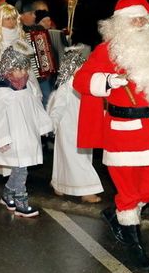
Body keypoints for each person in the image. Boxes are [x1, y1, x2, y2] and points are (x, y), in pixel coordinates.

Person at [73, 0, 149, 270]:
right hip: (125, 135)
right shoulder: (108, 51)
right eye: (132, 18)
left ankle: (118, 213)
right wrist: (108, 81)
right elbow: (81, 80)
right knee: (129, 192)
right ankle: (134, 245)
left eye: (142, 17)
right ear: (119, 24)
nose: (139, 22)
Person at [0, 40, 53, 217]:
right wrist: (2, 139)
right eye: (18, 69)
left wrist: (44, 125)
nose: (23, 73)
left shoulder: (27, 87)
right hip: (13, 137)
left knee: (20, 167)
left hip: (27, 135)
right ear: (8, 69)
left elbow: (36, 107)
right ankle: (21, 200)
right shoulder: (1, 92)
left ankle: (8, 193)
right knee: (21, 168)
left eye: (25, 69)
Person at [48, 45, 103, 203]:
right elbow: (57, 109)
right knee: (75, 158)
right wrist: (52, 125)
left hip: (84, 128)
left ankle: (60, 184)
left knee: (80, 157)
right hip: (68, 130)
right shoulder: (65, 89)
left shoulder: (86, 87)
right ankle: (87, 190)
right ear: (71, 69)